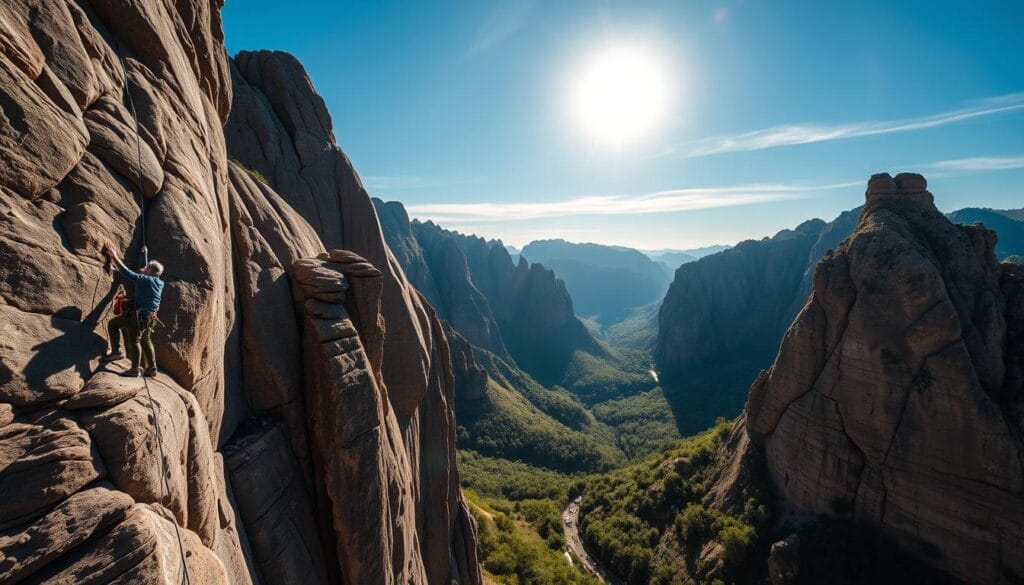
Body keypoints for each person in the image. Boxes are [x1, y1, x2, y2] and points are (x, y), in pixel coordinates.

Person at [102, 244, 165, 377]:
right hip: (150, 318)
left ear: (150, 271)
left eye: (147, 268)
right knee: (146, 339)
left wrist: (113, 256)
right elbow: (145, 270)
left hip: (139, 316)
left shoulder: (145, 280)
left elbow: (127, 273)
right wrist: (144, 255)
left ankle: (129, 364)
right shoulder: (159, 282)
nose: (144, 268)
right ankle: (152, 368)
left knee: (116, 327)